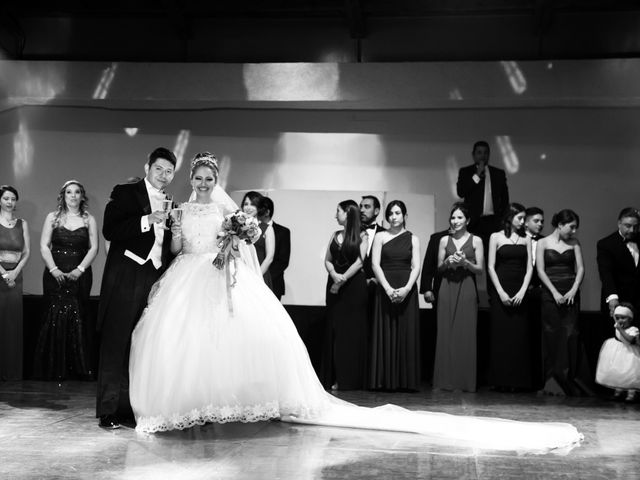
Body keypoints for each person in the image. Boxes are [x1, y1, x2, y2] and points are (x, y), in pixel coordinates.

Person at [127, 152, 582, 454]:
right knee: (189, 345)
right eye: (199, 179)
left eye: (210, 179)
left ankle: (226, 405)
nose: (204, 185)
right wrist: (176, 237)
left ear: (216, 181)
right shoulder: (180, 211)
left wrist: (232, 238)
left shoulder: (231, 213)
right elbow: (174, 251)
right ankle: (193, 408)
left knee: (230, 343)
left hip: (221, 277)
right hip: (188, 278)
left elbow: (248, 245)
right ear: (191, 179)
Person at [96, 147, 176, 429]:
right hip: (126, 274)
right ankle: (108, 411)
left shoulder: (171, 202)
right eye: (159, 169)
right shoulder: (125, 192)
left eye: (169, 172)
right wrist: (147, 220)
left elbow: (166, 246)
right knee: (116, 341)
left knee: (140, 345)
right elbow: (110, 229)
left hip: (153, 278)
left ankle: (130, 409)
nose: (163, 176)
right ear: (147, 168)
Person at [34, 180, 98, 381]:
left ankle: (78, 369)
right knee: (53, 316)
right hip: (55, 274)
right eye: (69, 192)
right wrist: (54, 269)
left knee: (79, 316)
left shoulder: (89, 219)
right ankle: (52, 368)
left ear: (82, 196)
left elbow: (93, 248)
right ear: (63, 195)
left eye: (77, 192)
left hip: (80, 275)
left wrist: (80, 269)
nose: (73, 196)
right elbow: (44, 246)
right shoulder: (52, 218)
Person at [536, 209, 592, 396]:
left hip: (570, 292)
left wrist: (574, 289)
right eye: (571, 227)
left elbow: (581, 268)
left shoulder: (574, 243)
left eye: (576, 227)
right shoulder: (542, 243)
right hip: (550, 293)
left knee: (570, 334)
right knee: (552, 334)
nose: (574, 231)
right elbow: (541, 271)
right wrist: (553, 292)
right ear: (560, 225)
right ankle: (552, 382)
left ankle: (570, 379)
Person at [369, 200, 421, 391]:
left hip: (407, 289)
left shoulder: (413, 239)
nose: (393, 217)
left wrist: (407, 289)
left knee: (406, 333)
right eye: (390, 213)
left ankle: (405, 381)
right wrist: (388, 289)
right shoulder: (380, 237)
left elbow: (416, 266)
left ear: (405, 216)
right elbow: (375, 265)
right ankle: (384, 380)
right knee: (386, 331)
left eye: (397, 213)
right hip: (385, 289)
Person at [433, 203, 484, 392]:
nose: (455, 221)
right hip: (447, 286)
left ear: (467, 220)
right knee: (445, 333)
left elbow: (480, 270)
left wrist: (465, 262)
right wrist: (447, 261)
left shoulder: (476, 240)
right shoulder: (444, 241)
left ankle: (464, 382)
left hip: (467, 287)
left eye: (460, 217)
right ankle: (444, 381)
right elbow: (438, 269)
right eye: (453, 218)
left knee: (466, 334)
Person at [486, 203, 534, 391]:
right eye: (520, 218)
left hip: (520, 289)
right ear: (509, 217)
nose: (523, 222)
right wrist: (501, 292)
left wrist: (523, 290)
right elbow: (490, 266)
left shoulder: (527, 238)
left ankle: (518, 381)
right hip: (501, 289)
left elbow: (530, 267)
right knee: (501, 335)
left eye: (524, 218)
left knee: (519, 336)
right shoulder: (495, 237)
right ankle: (500, 381)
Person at [322, 200, 368, 390]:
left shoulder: (362, 235)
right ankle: (333, 376)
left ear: (348, 214)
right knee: (335, 331)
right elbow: (327, 260)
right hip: (334, 285)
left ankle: (348, 378)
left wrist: (341, 280)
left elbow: (359, 262)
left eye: (338, 211)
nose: (336, 215)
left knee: (350, 333)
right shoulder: (335, 234)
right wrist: (334, 275)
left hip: (353, 288)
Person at [456, 140, 509, 250]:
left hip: (493, 222)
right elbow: (461, 192)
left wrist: (502, 220)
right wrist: (477, 175)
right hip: (473, 221)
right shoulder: (465, 171)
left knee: (491, 253)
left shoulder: (498, 173)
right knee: (472, 253)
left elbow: (505, 199)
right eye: (479, 152)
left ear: (488, 155)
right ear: (473, 155)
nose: (482, 156)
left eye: (485, 152)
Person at [0, 185, 30, 381]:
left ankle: (11, 372)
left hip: (16, 277)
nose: (10, 202)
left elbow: (26, 251)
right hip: (1, 274)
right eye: (6, 198)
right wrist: (4, 274)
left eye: (13, 199)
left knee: (12, 323)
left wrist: (15, 272)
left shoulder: (22, 223)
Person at [597, 207, 640, 318]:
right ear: (619, 224)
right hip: (618, 301)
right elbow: (606, 273)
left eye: (635, 226)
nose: (632, 230)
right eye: (628, 226)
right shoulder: (606, 244)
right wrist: (613, 298)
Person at [595, 303, 640, 402]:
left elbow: (629, 340)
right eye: (618, 318)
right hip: (618, 353)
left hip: (630, 354)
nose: (620, 320)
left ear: (630, 319)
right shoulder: (618, 325)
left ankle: (631, 394)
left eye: (623, 318)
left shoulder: (634, 329)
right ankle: (618, 392)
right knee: (618, 372)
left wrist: (620, 329)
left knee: (630, 374)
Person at [524, 206, 545, 388]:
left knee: (538, 337)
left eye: (542, 221)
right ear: (526, 221)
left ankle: (538, 380)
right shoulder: (514, 239)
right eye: (536, 221)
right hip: (518, 293)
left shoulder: (545, 241)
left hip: (539, 293)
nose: (540, 224)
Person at [241, 191, 274, 289]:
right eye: (246, 204)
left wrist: (256, 275)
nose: (248, 207)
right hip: (241, 275)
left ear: (259, 207)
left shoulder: (267, 228)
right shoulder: (237, 226)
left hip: (260, 275)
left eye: (253, 204)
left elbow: (269, 257)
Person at [261, 196, 291, 301]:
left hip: (273, 282)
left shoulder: (283, 232)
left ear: (267, 212)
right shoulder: (249, 229)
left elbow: (283, 261)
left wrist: (264, 277)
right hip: (252, 281)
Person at [419, 228, 450, 305]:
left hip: (465, 286)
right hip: (440, 286)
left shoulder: (473, 238)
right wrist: (427, 289)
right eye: (453, 217)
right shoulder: (437, 238)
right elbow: (428, 264)